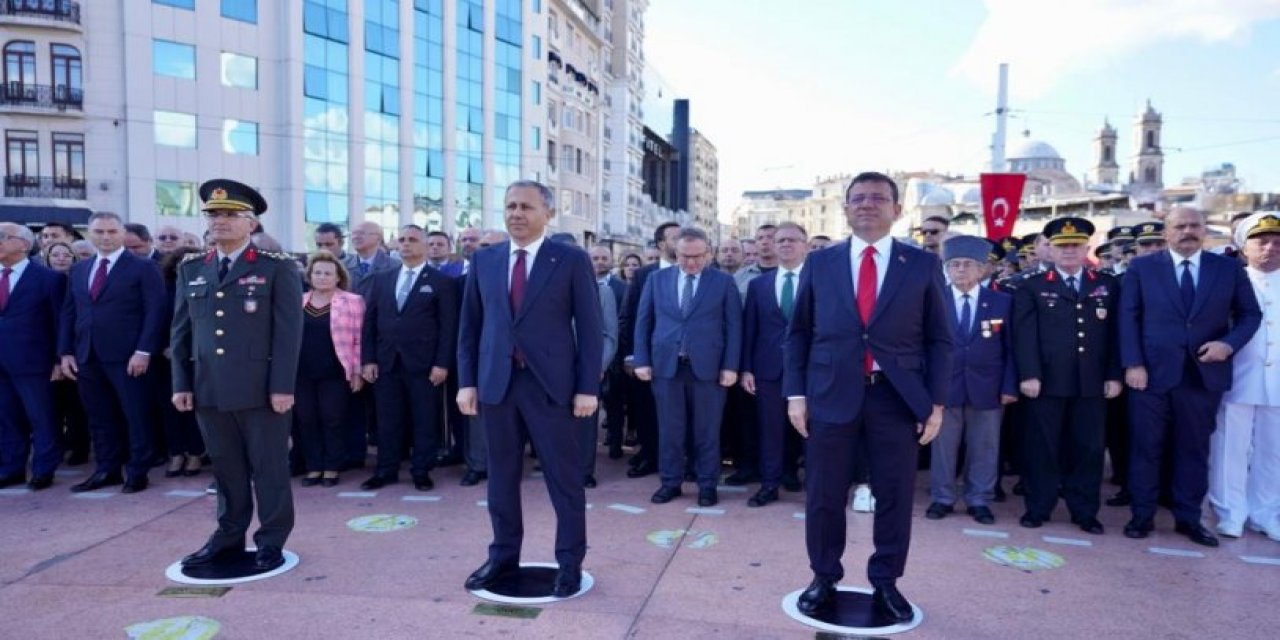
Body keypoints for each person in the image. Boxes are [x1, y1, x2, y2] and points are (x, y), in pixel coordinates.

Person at [785, 172, 952, 622]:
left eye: (878, 198)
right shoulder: (821, 263)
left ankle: (886, 581)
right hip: (829, 395)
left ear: (897, 210)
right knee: (823, 493)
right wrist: (796, 395)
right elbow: (798, 333)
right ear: (845, 208)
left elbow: (940, 339)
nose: (867, 204)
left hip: (895, 398)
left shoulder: (921, 265)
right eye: (857, 198)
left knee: (895, 493)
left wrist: (935, 402)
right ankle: (823, 576)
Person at [457, 180, 602, 598]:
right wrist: (468, 381)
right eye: (510, 206)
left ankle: (570, 562)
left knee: (564, 479)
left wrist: (587, 387)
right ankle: (503, 556)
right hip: (497, 387)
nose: (516, 213)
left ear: (548, 214)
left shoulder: (570, 259)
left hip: (551, 387)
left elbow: (590, 329)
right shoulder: (485, 260)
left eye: (526, 207)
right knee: (500, 478)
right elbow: (470, 328)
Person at [172, 179, 303, 573]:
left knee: (269, 469)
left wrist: (281, 387)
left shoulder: (275, 268)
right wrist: (181, 383)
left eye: (231, 215)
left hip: (260, 391)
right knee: (225, 469)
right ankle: (228, 535)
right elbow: (180, 332)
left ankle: (271, 539)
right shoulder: (192, 268)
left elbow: (288, 335)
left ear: (251, 223)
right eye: (213, 215)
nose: (220, 222)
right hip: (209, 388)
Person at [1119, 207, 1261, 547]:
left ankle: (1188, 519)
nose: (1188, 231)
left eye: (1195, 225)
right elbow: (1128, 318)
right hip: (1150, 376)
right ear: (1167, 232)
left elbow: (1250, 314)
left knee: (1193, 450)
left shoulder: (1227, 269)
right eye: (1180, 226)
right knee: (1145, 448)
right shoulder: (1142, 267)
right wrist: (1133, 364)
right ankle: (1142, 515)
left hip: (1202, 377)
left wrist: (1227, 345)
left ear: (1204, 230)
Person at [1012, 218, 1121, 534]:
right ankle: (1038, 507)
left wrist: (1114, 375)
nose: (1069, 251)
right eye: (1062, 245)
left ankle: (1084, 511)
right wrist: (1029, 374)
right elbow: (1024, 335)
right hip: (1045, 382)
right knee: (1041, 448)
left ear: (1087, 247)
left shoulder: (1106, 284)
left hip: (1092, 382)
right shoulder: (1031, 285)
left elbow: (1116, 334)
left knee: (1088, 450)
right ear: (1051, 249)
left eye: (1075, 245)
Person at [59, 212, 166, 494]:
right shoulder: (80, 270)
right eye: (99, 232)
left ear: (121, 234)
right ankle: (107, 470)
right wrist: (66, 352)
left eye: (111, 231)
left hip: (129, 356)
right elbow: (70, 312)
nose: (105, 237)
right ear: (90, 235)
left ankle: (137, 472)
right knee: (99, 417)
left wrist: (144, 351)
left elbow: (155, 312)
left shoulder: (142, 267)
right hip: (87, 355)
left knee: (135, 415)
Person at [633, 227, 741, 507]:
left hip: (709, 369)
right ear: (675, 253)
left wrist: (731, 366)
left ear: (708, 253)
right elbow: (643, 322)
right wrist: (641, 360)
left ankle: (707, 485)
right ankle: (670, 483)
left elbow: (734, 327)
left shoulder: (723, 282)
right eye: (685, 256)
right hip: (666, 368)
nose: (691, 262)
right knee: (670, 430)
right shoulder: (657, 279)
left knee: (707, 431)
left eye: (697, 256)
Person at [925, 236, 1017, 525]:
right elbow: (923, 347)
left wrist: (1009, 386)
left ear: (982, 270)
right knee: (943, 446)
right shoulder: (933, 301)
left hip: (988, 387)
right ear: (946, 269)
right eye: (954, 265)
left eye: (967, 265)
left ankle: (979, 499)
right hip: (944, 387)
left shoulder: (1002, 302)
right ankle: (942, 497)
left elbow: (1011, 348)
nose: (961, 270)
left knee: (985, 446)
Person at [359, 225, 459, 491]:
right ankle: (386, 470)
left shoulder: (442, 282)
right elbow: (370, 322)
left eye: (412, 240)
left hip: (424, 365)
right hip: (386, 362)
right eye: (401, 240)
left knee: (425, 420)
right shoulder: (383, 278)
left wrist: (442, 363)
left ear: (426, 245)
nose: (405, 245)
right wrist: (368, 359)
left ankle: (421, 470)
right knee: (387, 420)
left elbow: (448, 327)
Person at [1209, 212, 1280, 541]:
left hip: (1277, 382)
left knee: (1273, 451)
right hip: (1238, 376)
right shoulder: (1228, 282)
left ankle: (1266, 512)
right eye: (1261, 241)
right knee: (1230, 448)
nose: (1270, 248)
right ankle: (1230, 511)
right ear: (1243, 247)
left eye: (1277, 243)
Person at [741, 221, 809, 507]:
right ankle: (769, 484)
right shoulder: (758, 285)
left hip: (811, 369)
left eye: (792, 240)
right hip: (769, 369)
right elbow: (750, 330)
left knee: (811, 430)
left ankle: (812, 486)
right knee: (770, 430)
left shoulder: (820, 280)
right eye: (780, 240)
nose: (785, 244)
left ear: (804, 245)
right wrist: (746, 368)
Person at [0, 223, 67, 490]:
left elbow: (59, 321)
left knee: (41, 417)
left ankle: (43, 469)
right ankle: (12, 468)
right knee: (6, 417)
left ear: (24, 245)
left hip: (34, 362)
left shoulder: (48, 279)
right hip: (1, 363)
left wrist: (59, 359)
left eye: (3, 237)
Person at [550, 232, 617, 488]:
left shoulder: (602, 291)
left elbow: (609, 335)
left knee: (586, 424)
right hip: (552, 368)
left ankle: (585, 471)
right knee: (555, 421)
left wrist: (597, 367)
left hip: (586, 368)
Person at [296, 252, 365, 488]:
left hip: (336, 371)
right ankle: (313, 467)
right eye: (317, 273)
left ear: (338, 277)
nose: (322, 277)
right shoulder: (298, 301)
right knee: (306, 419)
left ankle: (332, 467)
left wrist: (356, 371)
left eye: (328, 273)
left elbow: (358, 338)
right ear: (309, 276)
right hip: (301, 372)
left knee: (332, 419)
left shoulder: (352, 301)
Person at [620, 222, 681, 479]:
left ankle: (681, 461)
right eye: (675, 237)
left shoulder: (701, 271)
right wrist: (632, 354)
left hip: (686, 357)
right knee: (647, 410)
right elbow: (630, 315)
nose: (681, 241)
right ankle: (650, 456)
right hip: (649, 357)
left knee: (681, 413)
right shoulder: (645, 275)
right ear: (660, 245)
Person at [157, 248, 207, 478]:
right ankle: (176, 453)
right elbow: (161, 320)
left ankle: (195, 453)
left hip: (200, 356)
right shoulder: (163, 289)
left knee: (197, 408)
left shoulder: (205, 285)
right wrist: (165, 348)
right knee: (172, 409)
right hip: (168, 358)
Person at [41, 240, 88, 464]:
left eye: (66, 254)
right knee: (53, 407)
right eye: (55, 254)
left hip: (75, 352)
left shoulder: (79, 279)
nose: (61, 258)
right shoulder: (42, 282)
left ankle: (78, 448)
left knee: (76, 405)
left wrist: (64, 354)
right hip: (47, 353)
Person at [591, 244, 628, 459]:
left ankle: (615, 443)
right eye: (595, 258)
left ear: (612, 260)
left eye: (604, 258)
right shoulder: (576, 283)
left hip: (615, 354)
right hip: (587, 357)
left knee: (614, 404)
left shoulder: (622, 287)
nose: (599, 262)